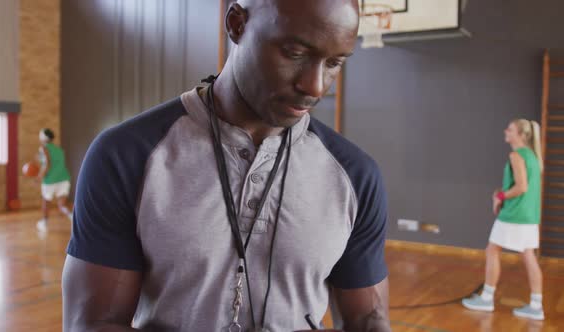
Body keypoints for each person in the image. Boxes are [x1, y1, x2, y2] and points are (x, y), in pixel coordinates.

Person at [62, 0, 390, 331]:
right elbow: (93, 323)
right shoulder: (126, 156)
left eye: (334, 63)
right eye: (294, 53)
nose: (316, 86)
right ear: (236, 24)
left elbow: (367, 319)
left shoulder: (355, 176)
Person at [462, 119, 544, 321]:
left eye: (510, 129)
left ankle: (487, 298)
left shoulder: (516, 155)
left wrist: (499, 197)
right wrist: (503, 193)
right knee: (528, 256)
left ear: (521, 135)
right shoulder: (532, 156)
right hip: (529, 215)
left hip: (515, 215)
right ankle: (536, 305)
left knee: (492, 250)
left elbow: (522, 187)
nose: (506, 131)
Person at [36, 128, 73, 232]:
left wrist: (39, 177)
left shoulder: (43, 148)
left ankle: (44, 223)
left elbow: (47, 165)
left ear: (43, 137)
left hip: (50, 180)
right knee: (62, 205)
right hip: (64, 178)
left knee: (46, 202)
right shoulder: (59, 149)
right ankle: (73, 217)